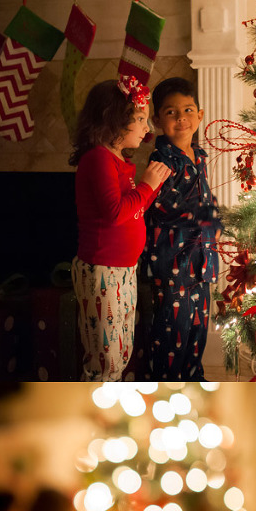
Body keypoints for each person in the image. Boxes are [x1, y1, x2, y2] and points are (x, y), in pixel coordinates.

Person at [70, 78, 171, 382]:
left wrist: (155, 186)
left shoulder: (118, 161)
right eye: (139, 118)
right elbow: (115, 214)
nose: (146, 127)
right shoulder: (99, 159)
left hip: (123, 270)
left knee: (120, 353)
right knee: (106, 361)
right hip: (103, 271)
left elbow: (131, 209)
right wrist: (147, 185)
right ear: (113, 119)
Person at [140, 77, 222, 379]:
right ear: (158, 120)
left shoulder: (197, 156)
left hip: (201, 263)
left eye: (188, 110)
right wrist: (205, 218)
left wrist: (213, 215)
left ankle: (193, 376)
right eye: (171, 112)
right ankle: (167, 383)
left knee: (197, 330)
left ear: (200, 116)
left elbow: (202, 197)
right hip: (173, 265)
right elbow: (161, 206)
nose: (182, 118)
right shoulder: (162, 159)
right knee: (172, 334)